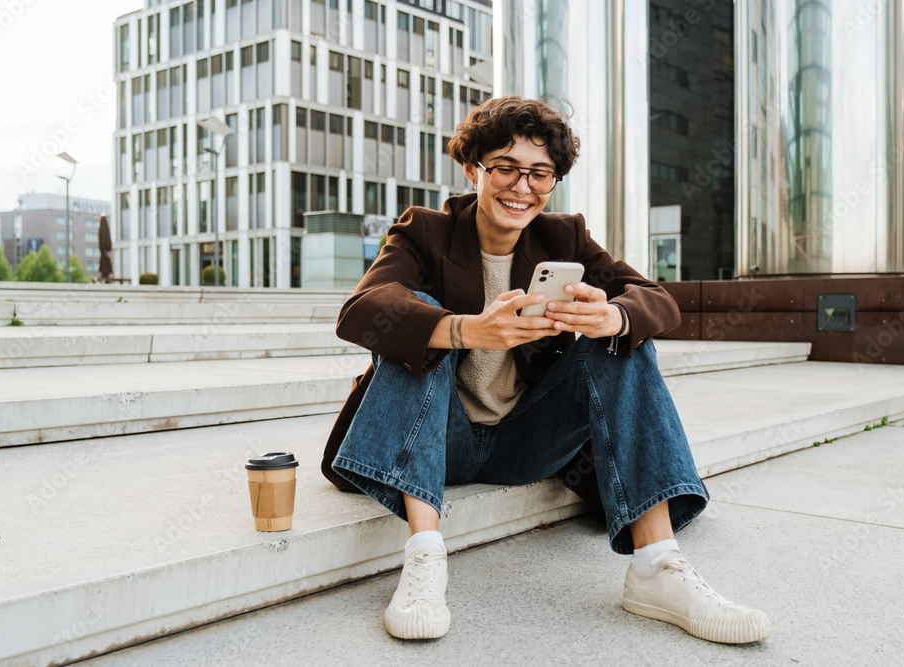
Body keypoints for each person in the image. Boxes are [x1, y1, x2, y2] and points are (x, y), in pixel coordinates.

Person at [322, 96, 770, 644]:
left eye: (540, 173)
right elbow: (361, 312)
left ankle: (657, 568)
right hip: (441, 439)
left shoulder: (565, 236)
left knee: (622, 337)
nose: (521, 186)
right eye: (505, 168)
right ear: (473, 169)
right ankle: (424, 556)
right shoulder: (425, 231)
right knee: (414, 314)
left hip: (527, 440)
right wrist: (466, 329)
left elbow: (657, 300)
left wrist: (612, 314)